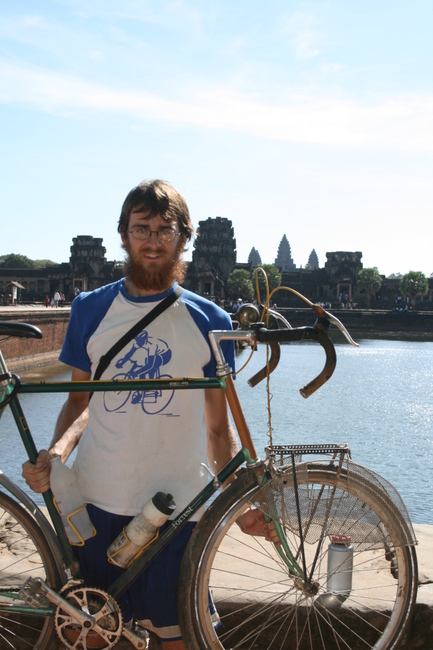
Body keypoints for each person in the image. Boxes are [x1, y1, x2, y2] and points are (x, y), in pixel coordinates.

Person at [22, 179, 275, 649]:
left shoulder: (211, 322)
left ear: (184, 237)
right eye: (142, 229)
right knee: (88, 636)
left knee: (180, 640)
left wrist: (240, 508)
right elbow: (80, 403)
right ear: (123, 235)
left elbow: (219, 430)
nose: (153, 241)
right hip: (97, 503)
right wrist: (56, 452)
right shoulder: (89, 310)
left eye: (165, 229)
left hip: (180, 509)